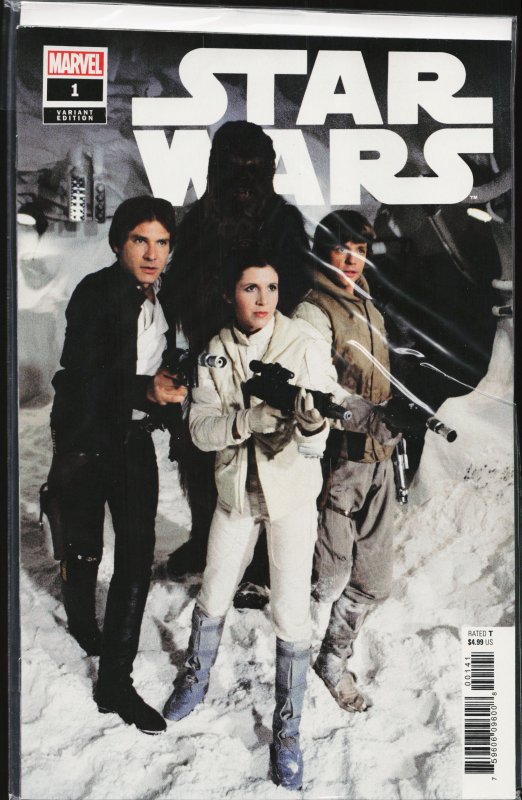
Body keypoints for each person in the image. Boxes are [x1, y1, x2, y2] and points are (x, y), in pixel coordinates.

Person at [162, 244, 343, 790]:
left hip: (290, 498)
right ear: (229, 294)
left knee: (290, 611)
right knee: (215, 590)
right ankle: (195, 680)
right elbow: (200, 430)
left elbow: (319, 438)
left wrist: (311, 428)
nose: (263, 299)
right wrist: (248, 420)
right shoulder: (214, 353)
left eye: (271, 287)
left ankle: (287, 732)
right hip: (236, 495)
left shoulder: (304, 342)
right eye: (249, 288)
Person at [46, 196, 186, 734]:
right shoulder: (95, 292)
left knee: (136, 554)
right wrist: (144, 388)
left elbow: (153, 359)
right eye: (139, 240)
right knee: (83, 548)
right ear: (118, 243)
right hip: (86, 438)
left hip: (132, 438)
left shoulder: (161, 298)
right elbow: (81, 376)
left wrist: (167, 395)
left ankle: (114, 682)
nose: (152, 253)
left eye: (162, 242)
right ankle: (83, 625)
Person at [163, 120, 312, 578]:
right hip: (208, 360)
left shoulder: (284, 224)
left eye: (254, 169)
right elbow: (173, 293)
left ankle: (261, 562)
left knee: (267, 459)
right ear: (215, 171)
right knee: (200, 454)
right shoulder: (196, 224)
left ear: (269, 173)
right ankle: (205, 541)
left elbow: (297, 294)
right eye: (234, 169)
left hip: (268, 362)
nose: (244, 182)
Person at [293, 209, 398, 714]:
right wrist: (362, 413)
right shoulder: (314, 310)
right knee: (326, 578)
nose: (353, 259)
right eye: (343, 248)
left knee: (373, 580)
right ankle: (288, 659)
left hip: (379, 460)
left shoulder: (367, 305)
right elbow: (314, 384)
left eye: (360, 249)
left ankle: (332, 660)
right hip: (336, 462)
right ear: (323, 251)